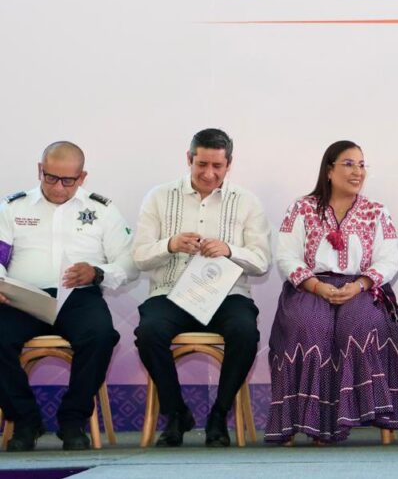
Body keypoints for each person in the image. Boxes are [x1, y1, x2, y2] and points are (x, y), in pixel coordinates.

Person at [265, 140, 398, 444]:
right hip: (310, 286)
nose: (357, 171)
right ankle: (312, 425)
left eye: (361, 165)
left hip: (362, 287)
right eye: (348, 164)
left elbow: (389, 260)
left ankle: (358, 418)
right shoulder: (302, 208)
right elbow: (286, 256)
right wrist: (316, 286)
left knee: (361, 325)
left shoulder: (376, 211)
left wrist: (360, 285)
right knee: (310, 325)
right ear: (329, 170)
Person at [132, 128, 271, 447]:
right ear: (189, 159)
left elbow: (262, 261)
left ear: (229, 164)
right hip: (171, 292)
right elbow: (139, 256)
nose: (209, 174)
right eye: (201, 165)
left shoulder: (247, 202)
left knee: (245, 332)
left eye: (217, 166)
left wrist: (230, 250)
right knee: (149, 332)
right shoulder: (159, 196)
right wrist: (170, 244)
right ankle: (176, 412)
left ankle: (219, 415)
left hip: (228, 294)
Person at [0, 141, 137, 451]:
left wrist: (97, 272)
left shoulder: (102, 210)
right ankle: (24, 420)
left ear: (82, 177)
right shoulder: (13, 207)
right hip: (24, 298)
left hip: (78, 297)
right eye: (50, 177)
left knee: (101, 336)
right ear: (39, 170)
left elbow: (129, 263)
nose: (58, 187)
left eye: (68, 180)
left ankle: (73, 420)